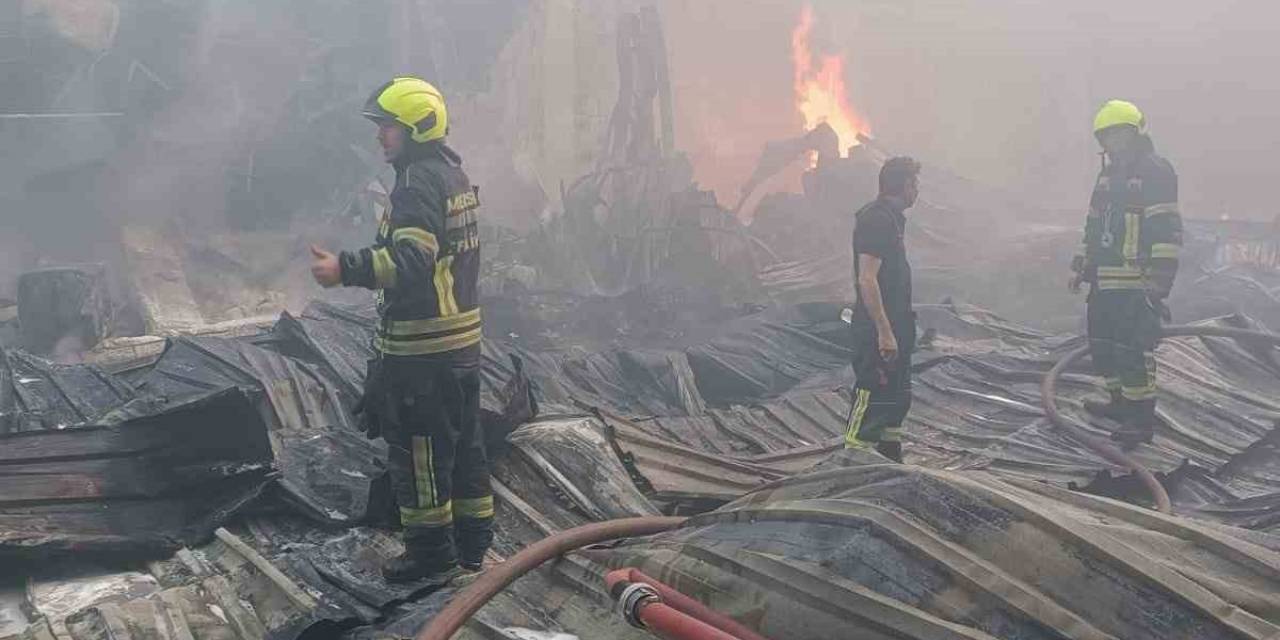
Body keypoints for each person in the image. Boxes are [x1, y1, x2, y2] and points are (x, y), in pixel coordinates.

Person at [310, 77, 491, 582]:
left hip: (422, 351)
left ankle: (432, 555)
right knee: (465, 448)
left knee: (421, 455)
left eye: (387, 127)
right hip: (461, 345)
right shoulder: (453, 177)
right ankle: (475, 548)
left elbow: (413, 258)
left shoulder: (414, 184)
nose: (380, 137)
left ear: (415, 128)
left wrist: (344, 269)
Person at [1070, 99, 1182, 445]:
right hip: (1104, 278)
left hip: (1136, 280)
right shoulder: (1107, 176)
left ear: (1134, 133)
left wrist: (1158, 284)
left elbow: (1165, 229)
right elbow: (1093, 223)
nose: (1111, 143)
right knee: (1103, 345)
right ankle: (1119, 404)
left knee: (1132, 350)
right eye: (1105, 137)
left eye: (1118, 134)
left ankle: (1140, 420)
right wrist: (1082, 264)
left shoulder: (1155, 171)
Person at [845, 157, 921, 463]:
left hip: (898, 323)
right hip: (878, 328)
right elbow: (867, 279)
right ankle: (854, 463)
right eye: (915, 184)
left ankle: (890, 460)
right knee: (872, 391)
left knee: (896, 397)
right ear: (904, 185)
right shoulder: (876, 220)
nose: (917, 190)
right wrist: (884, 331)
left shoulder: (892, 219)